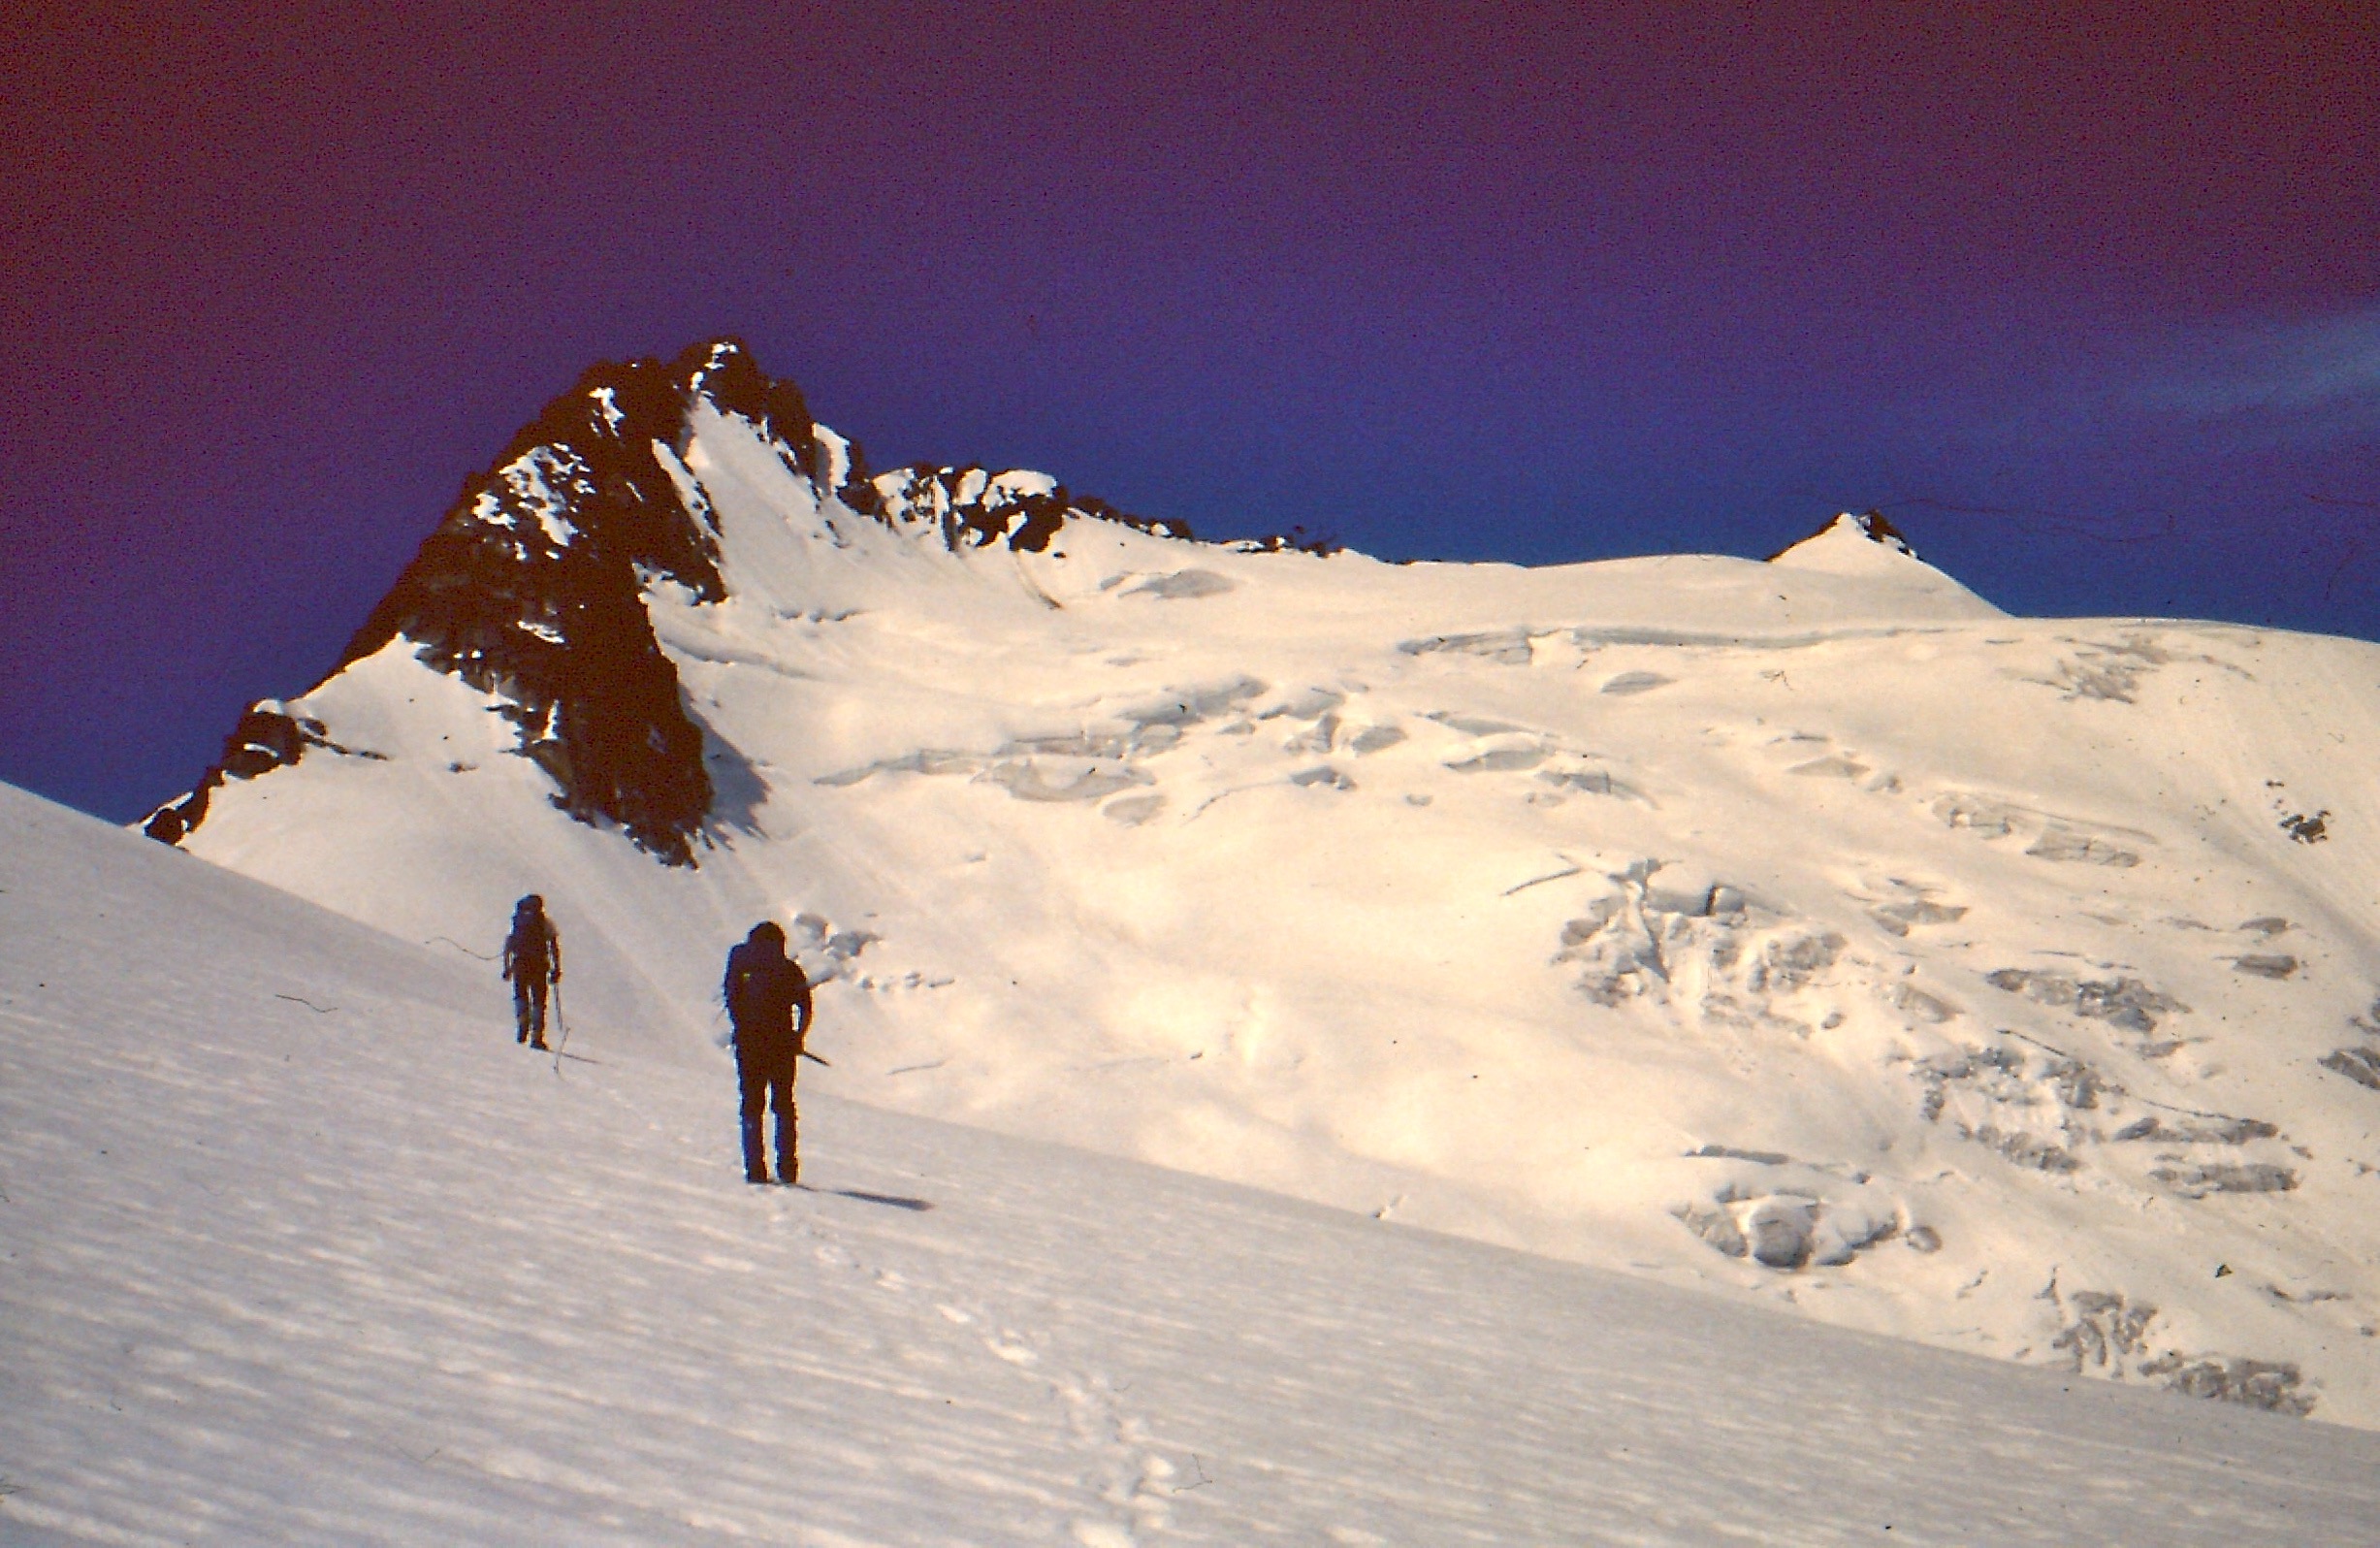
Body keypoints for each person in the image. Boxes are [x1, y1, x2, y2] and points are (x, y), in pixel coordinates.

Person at [723, 920, 815, 1185]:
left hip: (749, 1044)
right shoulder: (789, 970)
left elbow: (732, 998)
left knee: (752, 1106)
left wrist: (742, 1026)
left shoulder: (741, 963)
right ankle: (787, 1169)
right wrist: (797, 1037)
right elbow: (806, 1007)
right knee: (783, 1106)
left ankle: (755, 1169)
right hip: (782, 1046)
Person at [501, 894, 562, 1049]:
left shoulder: (518, 922)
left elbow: (509, 944)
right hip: (539, 965)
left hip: (520, 964)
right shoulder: (544, 922)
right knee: (539, 1000)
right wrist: (556, 968)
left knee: (521, 995)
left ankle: (522, 1022)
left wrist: (507, 967)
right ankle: (536, 1036)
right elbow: (553, 946)